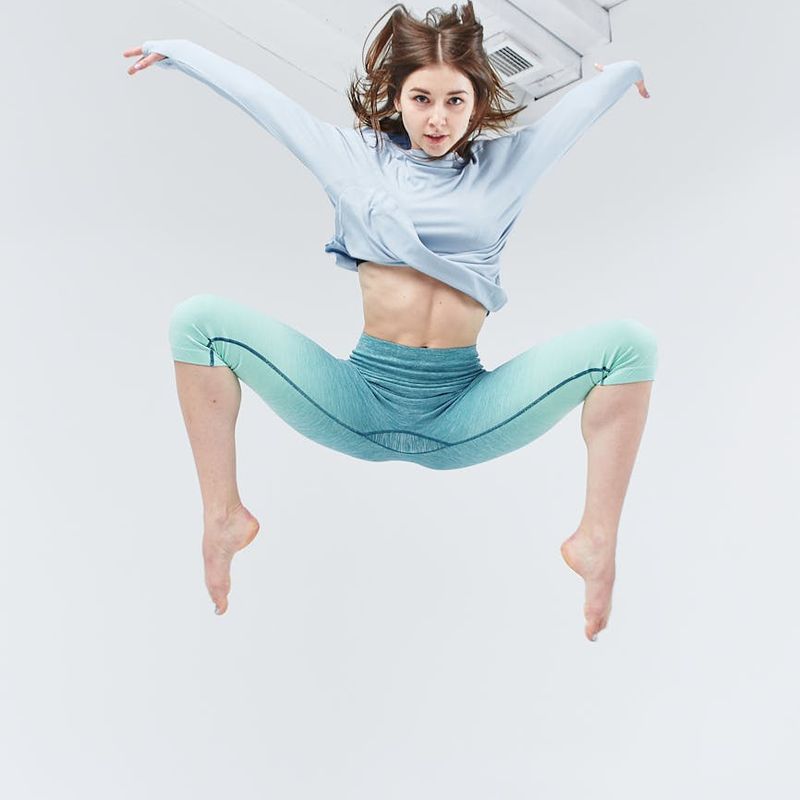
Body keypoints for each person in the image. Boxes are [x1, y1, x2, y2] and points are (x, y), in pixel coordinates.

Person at [123, 1, 655, 641]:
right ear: (395, 97)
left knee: (629, 347)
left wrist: (623, 71)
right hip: (359, 400)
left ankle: (597, 539)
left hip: (464, 409)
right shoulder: (356, 159)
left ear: (475, 104)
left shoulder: (506, 169)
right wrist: (184, 50)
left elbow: (575, 116)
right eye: (422, 98)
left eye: (455, 101)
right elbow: (269, 106)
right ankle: (223, 516)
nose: (438, 118)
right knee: (199, 323)